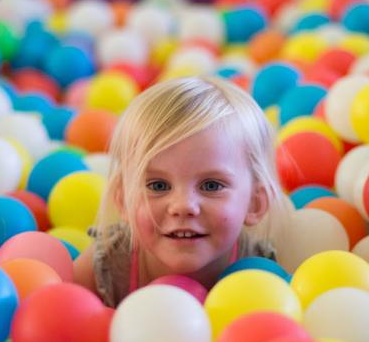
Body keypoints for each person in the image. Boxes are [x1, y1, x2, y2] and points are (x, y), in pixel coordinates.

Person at [74, 75, 287, 306]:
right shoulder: (105, 268)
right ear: (124, 198)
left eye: (211, 186)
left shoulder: (263, 277)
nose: (183, 205)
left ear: (254, 203)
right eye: (158, 186)